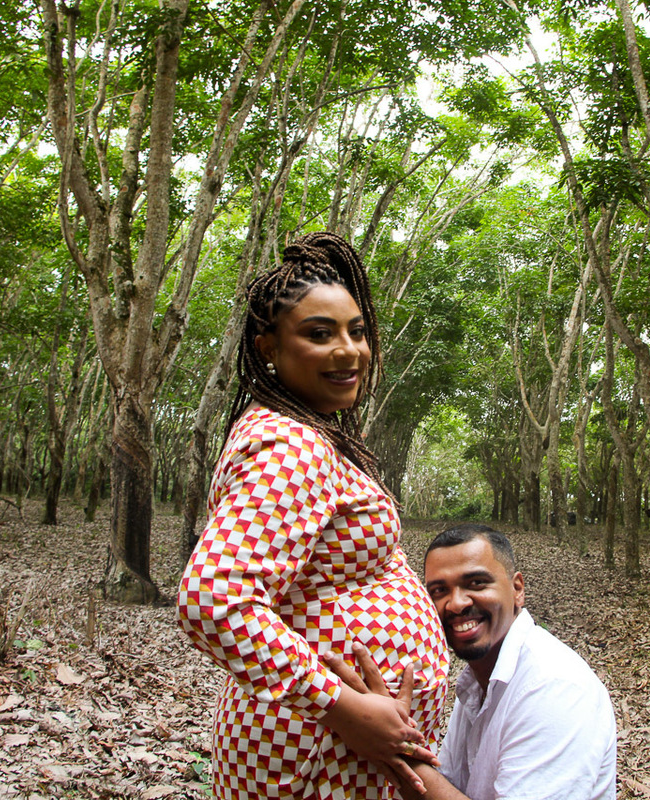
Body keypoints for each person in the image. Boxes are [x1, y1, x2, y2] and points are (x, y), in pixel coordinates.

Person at [177, 231, 449, 800]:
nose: (348, 350)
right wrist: (342, 707)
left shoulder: (309, 431)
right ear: (267, 348)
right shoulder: (292, 446)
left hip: (328, 746)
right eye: (319, 334)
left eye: (357, 331)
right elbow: (212, 598)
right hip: (315, 747)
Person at [328, 523, 617, 800]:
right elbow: (450, 784)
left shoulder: (553, 687)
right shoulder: (478, 682)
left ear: (517, 589)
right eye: (439, 591)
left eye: (476, 583)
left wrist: (388, 742)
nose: (456, 604)